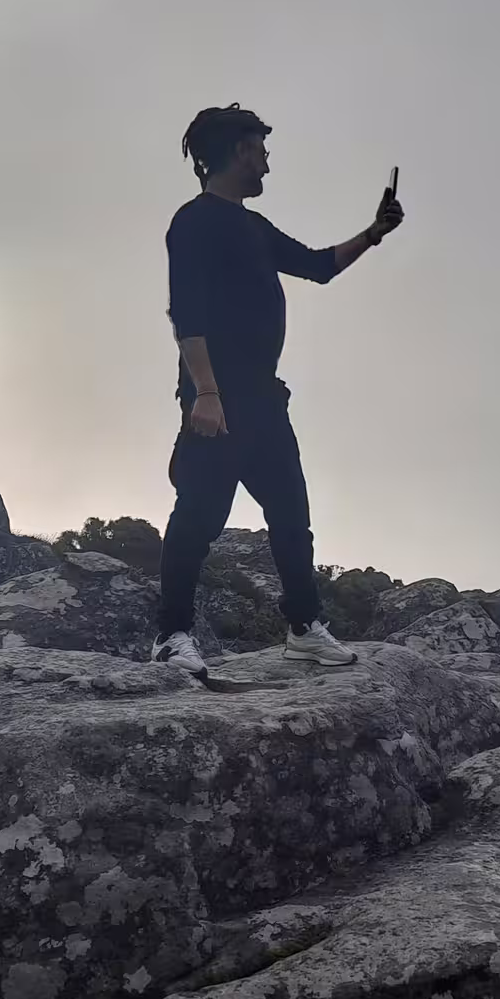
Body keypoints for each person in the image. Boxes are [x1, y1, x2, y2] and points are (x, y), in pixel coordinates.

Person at [151, 104, 404, 676]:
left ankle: (303, 629)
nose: (267, 160)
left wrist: (374, 233)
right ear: (239, 151)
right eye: (261, 149)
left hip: (265, 398)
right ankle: (172, 636)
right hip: (219, 398)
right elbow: (185, 310)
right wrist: (207, 394)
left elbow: (318, 266)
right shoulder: (194, 221)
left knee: (291, 515)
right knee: (199, 515)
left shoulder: (253, 226)